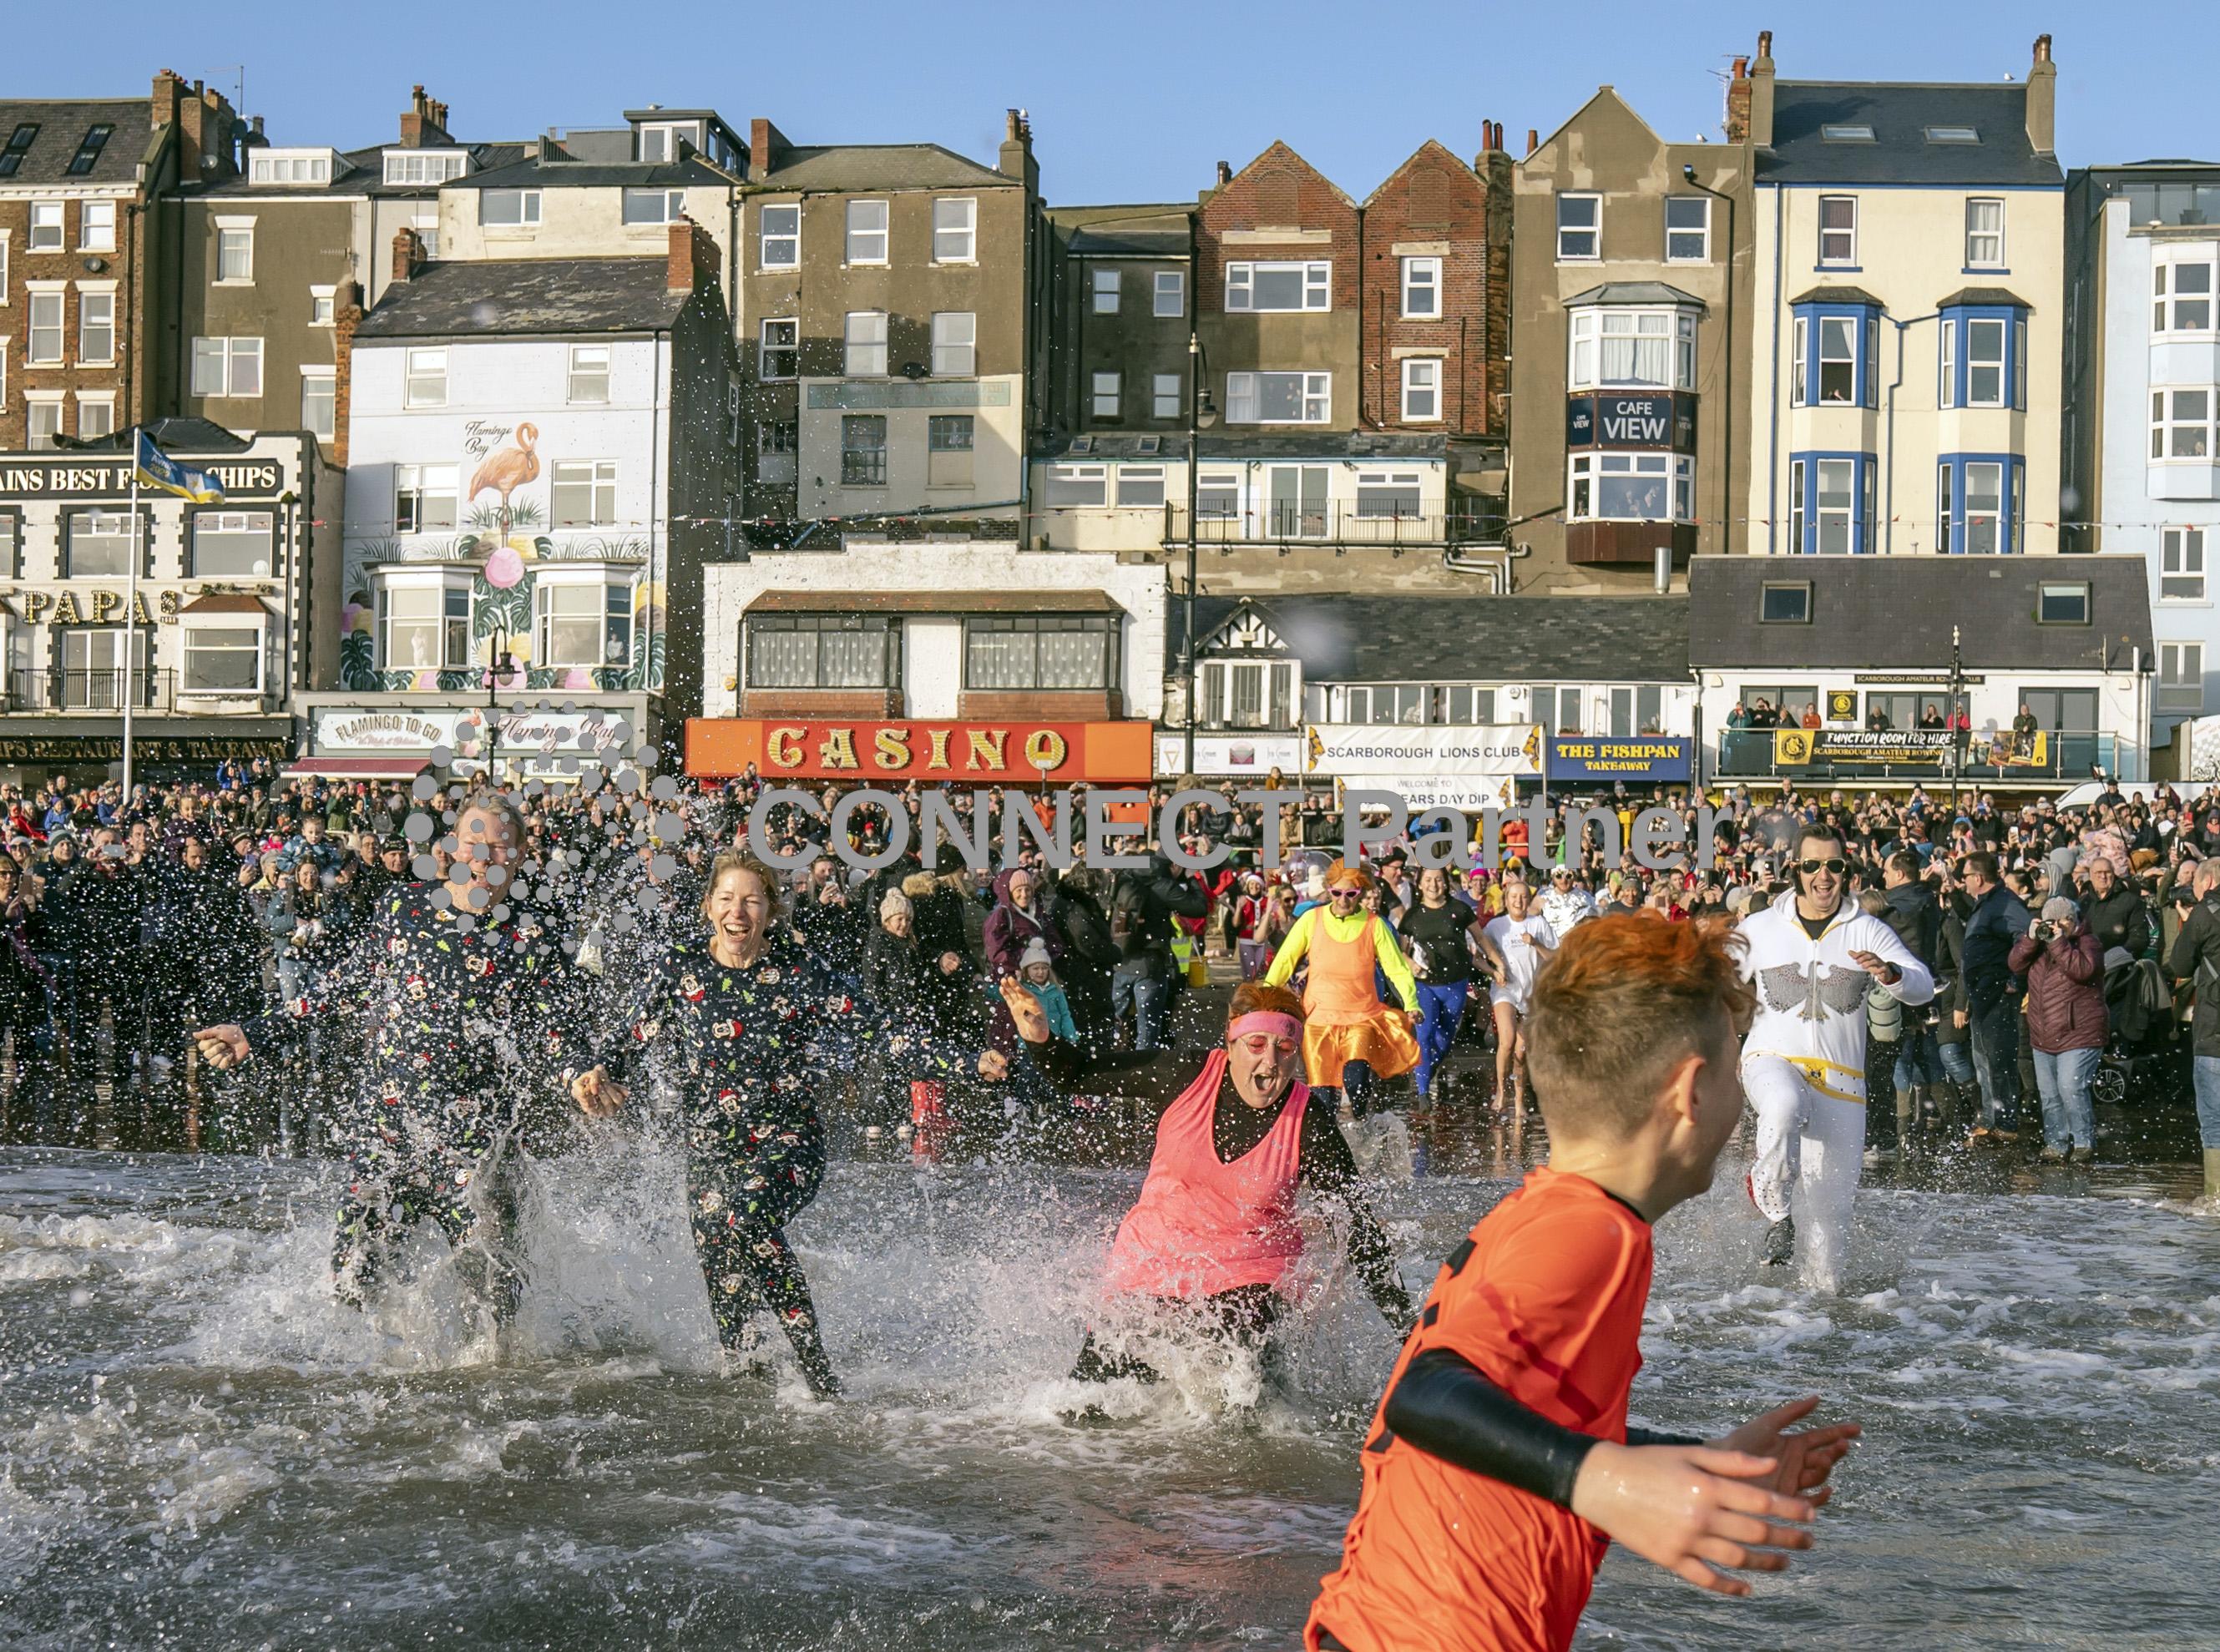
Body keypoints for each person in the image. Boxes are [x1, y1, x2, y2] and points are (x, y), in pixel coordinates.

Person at [1306, 917, 1860, 1652]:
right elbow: (1427, 1394)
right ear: (1689, 1093)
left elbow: (1517, 1413)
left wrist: (1686, 1458)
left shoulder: (1553, 1210)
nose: (1742, 1096)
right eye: (1737, 1069)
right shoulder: (1587, 1234)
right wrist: (1606, 1484)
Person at [570, 852, 1011, 1397]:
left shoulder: (799, 972)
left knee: (746, 1219)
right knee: (728, 1300)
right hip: (711, 1151)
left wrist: (968, 1061)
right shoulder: (680, 966)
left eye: (752, 900)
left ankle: (820, 1378)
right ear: (709, 906)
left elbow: (882, 1034)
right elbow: (629, 1037)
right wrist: (599, 1074)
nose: (738, 911)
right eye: (727, 899)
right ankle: (748, 1400)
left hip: (788, 1143)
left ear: (771, 911)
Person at [195, 797, 586, 1324]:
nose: (483, 856)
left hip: (479, 1147)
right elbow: (346, 985)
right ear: (451, 847)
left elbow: (555, 1025)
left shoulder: (534, 935)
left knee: (498, 1314)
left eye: (497, 844)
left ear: (517, 857)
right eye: (473, 842)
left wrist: (579, 1073)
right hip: (389, 1134)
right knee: (354, 1286)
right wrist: (257, 1032)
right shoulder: (403, 910)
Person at [1072, 981, 1414, 1391]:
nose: (1270, 1062)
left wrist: (1413, 1337)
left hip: (1252, 1274)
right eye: (1256, 1044)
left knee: (1250, 1393)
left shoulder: (1309, 1121)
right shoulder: (1184, 1076)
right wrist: (1038, 1039)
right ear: (1231, 1041)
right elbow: (1074, 1073)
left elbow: (1357, 1227)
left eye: (1284, 1050)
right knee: (1088, 1396)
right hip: (1154, 1262)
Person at [1739, 826, 1933, 1286]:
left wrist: (1890, 973)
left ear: (1846, 872)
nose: (1823, 876)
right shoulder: (1761, 926)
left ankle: (1817, 1318)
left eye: (1834, 866)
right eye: (1812, 866)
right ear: (1795, 871)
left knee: (1830, 1224)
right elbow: (1710, 976)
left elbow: (1922, 984)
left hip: (1842, 1081)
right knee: (1783, 1106)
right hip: (1771, 1059)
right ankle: (1776, 1213)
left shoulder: (1866, 928)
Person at [1263, 861, 1419, 1113]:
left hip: (1361, 1017)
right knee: (1323, 1098)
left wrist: (1411, 1003)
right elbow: (1286, 960)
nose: (1343, 900)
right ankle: (1331, 1145)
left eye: (1351, 894)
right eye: (1337, 893)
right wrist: (1267, 994)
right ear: (1328, 889)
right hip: (1318, 1020)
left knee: (1356, 1083)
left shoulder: (1374, 924)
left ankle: (1362, 1124)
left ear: (1361, 892)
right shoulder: (1311, 920)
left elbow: (1397, 969)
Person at [1397, 866, 1503, 1103]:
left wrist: (1497, 964)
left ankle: (1428, 1069)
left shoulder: (1460, 909)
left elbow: (1481, 938)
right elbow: (1400, 952)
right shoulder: (1412, 915)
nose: (1433, 884)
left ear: (1446, 883)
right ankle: (1423, 1093)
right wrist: (1411, 964)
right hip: (1424, 984)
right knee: (1424, 1036)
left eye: (1438, 879)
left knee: (1444, 1040)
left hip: (1455, 983)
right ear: (1420, 885)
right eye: (1428, 880)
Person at [2010, 897, 2104, 1164]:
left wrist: (2058, 941)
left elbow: (2083, 970)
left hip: (2080, 1031)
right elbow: (2014, 964)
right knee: (2049, 1093)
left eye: (2063, 920)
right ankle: (2056, 1143)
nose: (2056, 925)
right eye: (2051, 921)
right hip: (2043, 1033)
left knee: (2070, 1087)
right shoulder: (2039, 946)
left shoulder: (2089, 942)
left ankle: (2083, 1142)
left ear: (2073, 921)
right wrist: (2030, 939)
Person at [1956, 851, 2031, 1144]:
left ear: (1978, 878)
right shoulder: (1984, 904)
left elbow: (2027, 938)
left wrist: (2016, 979)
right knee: (1984, 1061)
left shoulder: (2005, 903)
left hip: (1999, 992)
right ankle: (1991, 1120)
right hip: (1982, 994)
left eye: (1965, 877)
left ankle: (2006, 1123)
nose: (1963, 882)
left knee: (1999, 1062)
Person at [2165, 858, 2220, 1200]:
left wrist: (2189, 920)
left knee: (2215, 1121)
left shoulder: (2206, 912)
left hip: (2215, 1032)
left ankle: (2216, 1199)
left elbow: (2180, 964)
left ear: (2209, 880)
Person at [1480, 877, 1555, 1113]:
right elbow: (1477, 956)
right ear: (1506, 900)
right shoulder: (1495, 926)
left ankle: (1520, 1100)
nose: (1519, 901)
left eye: (1523, 897)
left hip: (1531, 994)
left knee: (1521, 1053)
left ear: (1529, 900)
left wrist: (1536, 944)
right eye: (1514, 897)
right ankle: (1501, 1093)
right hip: (1506, 990)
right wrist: (1494, 972)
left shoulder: (1539, 924)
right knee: (1507, 1040)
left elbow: (1555, 957)